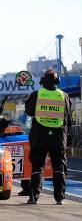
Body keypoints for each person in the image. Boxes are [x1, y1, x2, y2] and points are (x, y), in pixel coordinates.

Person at [25, 70, 72, 205]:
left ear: (43, 82)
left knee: (37, 167)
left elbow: (29, 112)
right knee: (59, 168)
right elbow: (68, 118)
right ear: (57, 82)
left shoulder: (36, 95)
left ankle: (34, 197)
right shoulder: (64, 96)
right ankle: (59, 198)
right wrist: (66, 137)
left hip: (39, 137)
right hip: (58, 138)